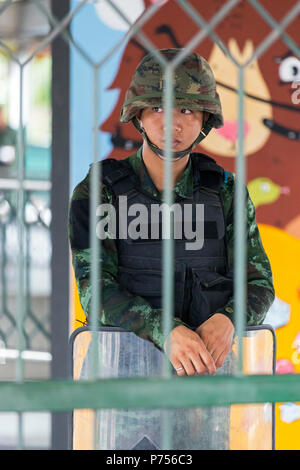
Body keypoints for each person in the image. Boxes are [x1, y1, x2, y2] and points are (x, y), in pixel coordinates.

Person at [68, 48, 275, 449]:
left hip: (206, 397)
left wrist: (229, 319)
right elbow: (96, 290)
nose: (172, 123)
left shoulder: (227, 192)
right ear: (140, 115)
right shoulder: (100, 192)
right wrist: (168, 331)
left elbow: (259, 283)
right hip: (124, 394)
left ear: (204, 121)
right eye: (159, 109)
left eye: (187, 111)